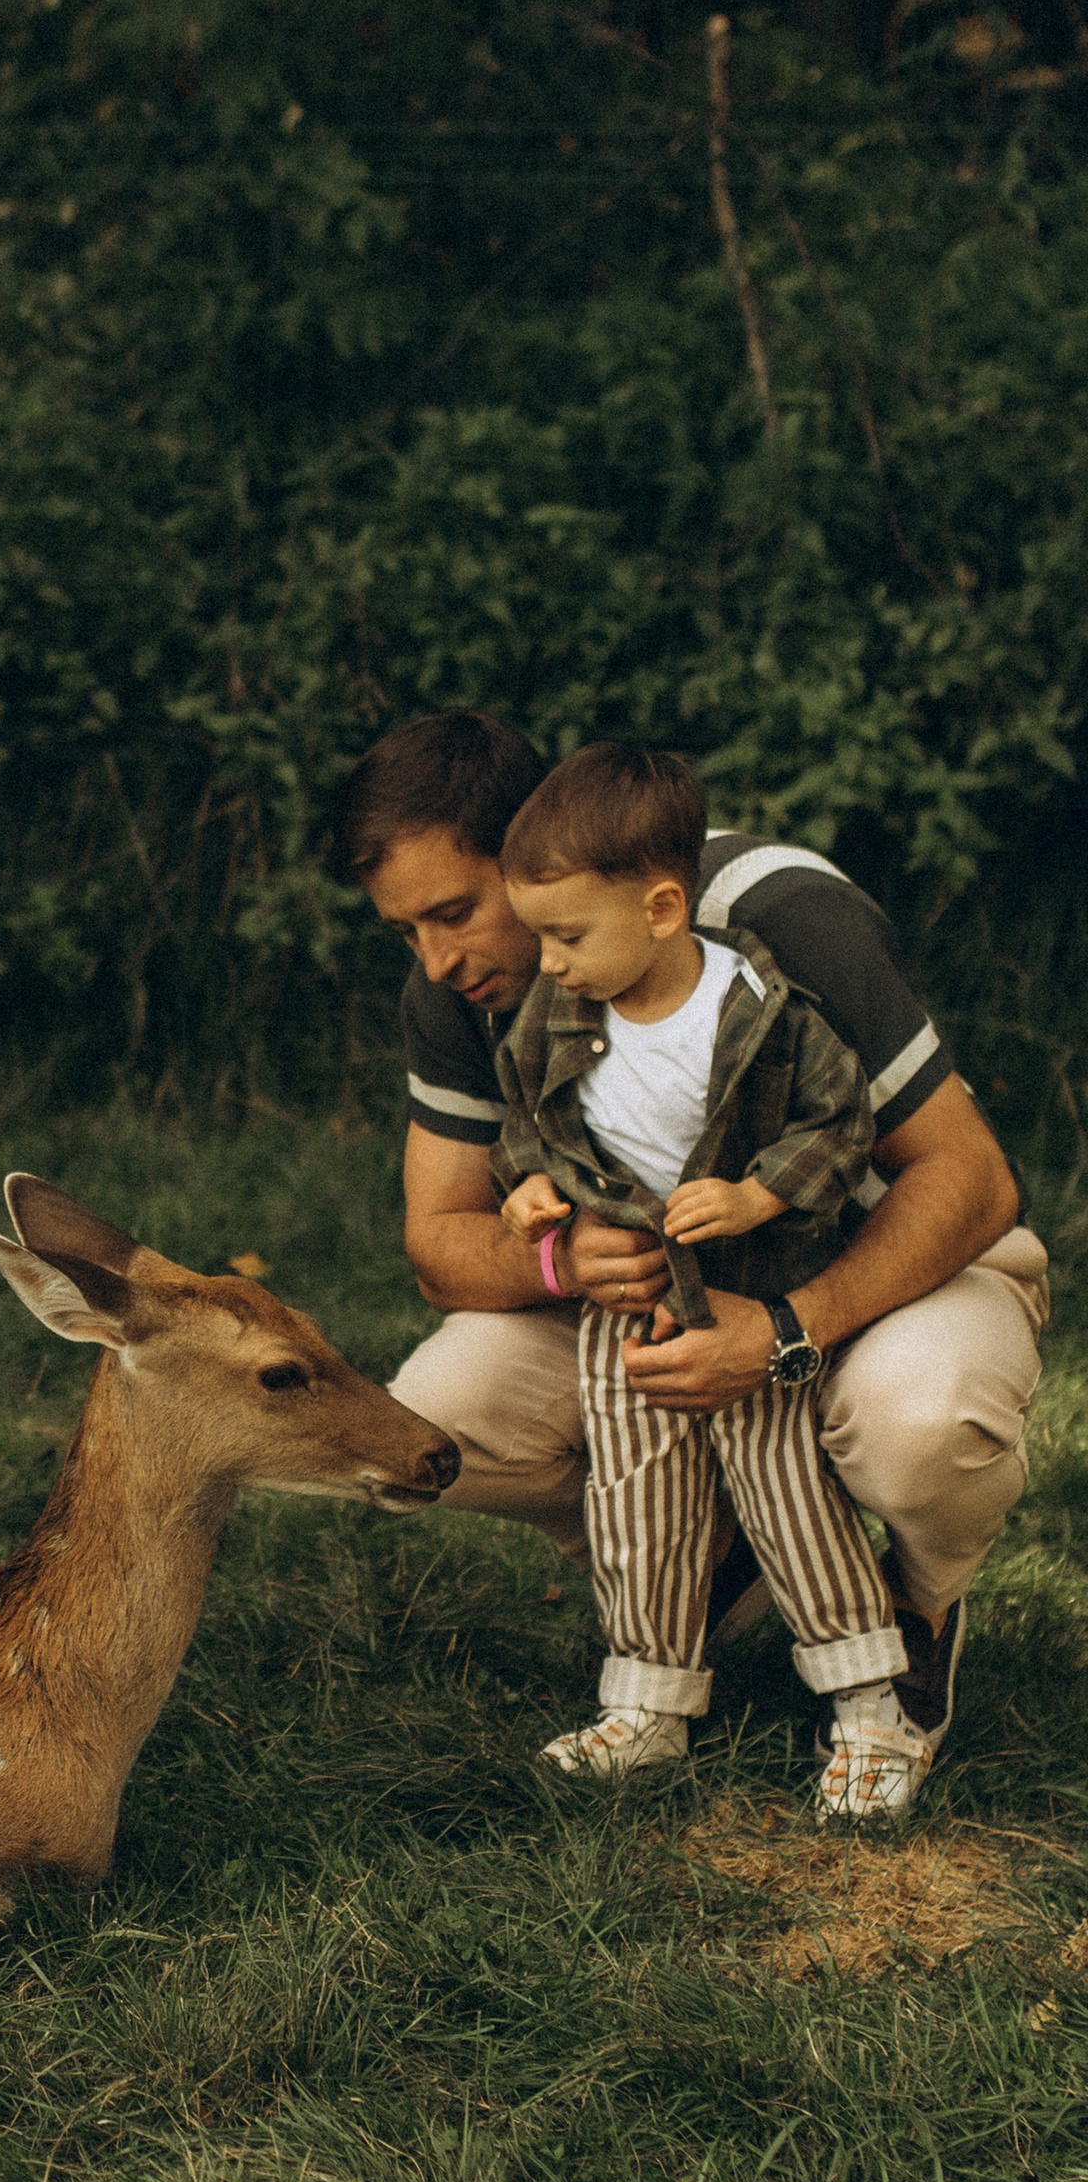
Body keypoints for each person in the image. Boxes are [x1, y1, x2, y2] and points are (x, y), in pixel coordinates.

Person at [339, 711, 1046, 1757]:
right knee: (436, 1416)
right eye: (405, 932)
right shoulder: (464, 988)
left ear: (530, 857)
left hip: (888, 1273)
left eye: (453, 912)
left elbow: (971, 1180)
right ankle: (716, 1551)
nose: (437, 961)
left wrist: (784, 1333)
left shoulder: (776, 912)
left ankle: (918, 1608)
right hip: (663, 1299)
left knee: (921, 1421)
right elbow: (437, 1244)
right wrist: (557, 1255)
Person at [490, 745, 933, 1816]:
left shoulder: (761, 1012)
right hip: (630, 1307)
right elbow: (528, 1123)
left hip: (744, 1296)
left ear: (658, 906)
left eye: (566, 935)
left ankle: (872, 1706)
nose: (545, 961)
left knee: (782, 1486)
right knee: (633, 1492)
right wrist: (531, 1193)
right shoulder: (553, 1021)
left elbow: (843, 1125)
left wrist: (755, 1197)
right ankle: (647, 1701)